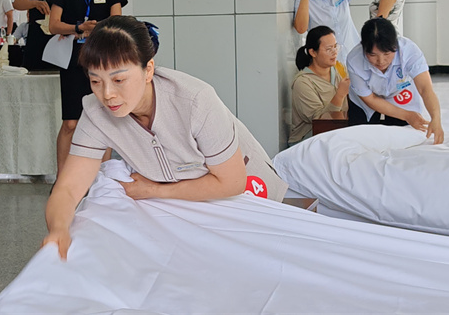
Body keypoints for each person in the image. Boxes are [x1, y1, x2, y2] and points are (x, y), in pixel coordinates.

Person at [42, 16, 288, 259]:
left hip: (247, 194)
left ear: (148, 69)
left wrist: (153, 190)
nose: (107, 94)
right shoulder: (96, 113)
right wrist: (59, 228)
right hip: (187, 203)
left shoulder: (194, 100)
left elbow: (232, 182)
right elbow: (69, 188)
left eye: (119, 80)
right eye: (95, 81)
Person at [49, 0, 128, 175]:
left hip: (103, 60)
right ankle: (63, 178)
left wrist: (100, 29)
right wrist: (78, 28)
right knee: (71, 122)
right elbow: (53, 25)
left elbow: (117, 23)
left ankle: (102, 178)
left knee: (104, 119)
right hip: (73, 58)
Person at [347, 18, 444, 144]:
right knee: (362, 138)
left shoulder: (409, 51)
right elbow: (370, 99)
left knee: (402, 137)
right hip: (365, 101)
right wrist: (407, 115)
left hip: (399, 92)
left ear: (395, 46)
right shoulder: (354, 60)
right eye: (372, 55)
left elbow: (425, 88)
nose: (381, 61)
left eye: (387, 54)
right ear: (363, 48)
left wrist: (435, 118)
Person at [289, 26, 349, 145]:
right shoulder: (303, 82)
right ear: (312, 52)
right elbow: (319, 121)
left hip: (336, 134)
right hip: (308, 141)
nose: (334, 52)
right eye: (329, 49)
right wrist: (340, 95)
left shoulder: (339, 69)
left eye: (335, 47)